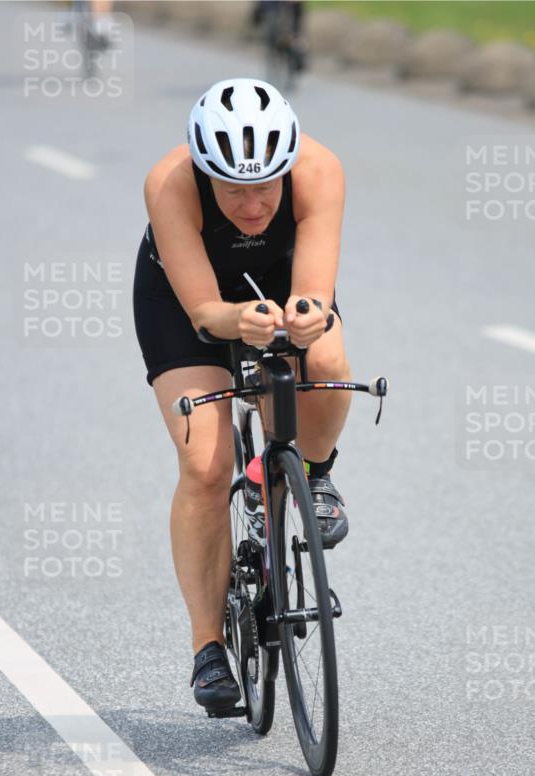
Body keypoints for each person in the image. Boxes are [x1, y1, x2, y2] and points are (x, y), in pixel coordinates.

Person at [133, 78, 351, 715]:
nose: (253, 205)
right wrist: (237, 321)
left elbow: (313, 294)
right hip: (185, 300)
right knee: (204, 465)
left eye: (266, 187)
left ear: (288, 166)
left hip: (278, 283)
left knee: (329, 356)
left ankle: (313, 472)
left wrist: (304, 319)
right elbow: (203, 311)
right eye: (233, 189)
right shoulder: (170, 182)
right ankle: (207, 648)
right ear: (205, 172)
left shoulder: (319, 169)